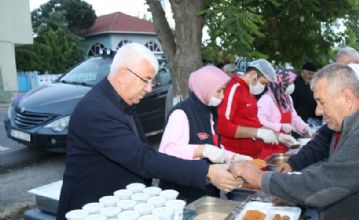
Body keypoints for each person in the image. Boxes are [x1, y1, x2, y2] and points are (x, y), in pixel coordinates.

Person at [57, 43, 242, 218]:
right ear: (122, 74)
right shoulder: (96, 110)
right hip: (92, 209)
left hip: (121, 205)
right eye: (145, 80)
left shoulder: (120, 101)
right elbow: (141, 158)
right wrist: (206, 172)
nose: (149, 88)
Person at [230, 63, 359, 219]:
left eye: (321, 102)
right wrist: (297, 195)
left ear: (347, 97)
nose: (318, 111)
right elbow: (337, 172)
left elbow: (325, 184)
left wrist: (259, 178)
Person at [278, 63, 359, 173]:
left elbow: (339, 178)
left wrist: (264, 180)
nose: (318, 112)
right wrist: (293, 164)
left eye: (323, 102)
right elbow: (321, 142)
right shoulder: (346, 118)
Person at [158, 66, 252, 202]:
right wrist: (203, 150)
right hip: (181, 195)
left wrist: (234, 157)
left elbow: (215, 146)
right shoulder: (181, 113)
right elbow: (167, 151)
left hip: (206, 191)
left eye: (223, 91)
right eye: (219, 91)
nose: (222, 96)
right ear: (205, 87)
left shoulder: (210, 113)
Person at [216, 59, 278, 158]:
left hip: (252, 155)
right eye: (263, 83)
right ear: (253, 74)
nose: (264, 87)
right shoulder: (234, 88)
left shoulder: (250, 92)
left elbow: (252, 123)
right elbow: (223, 126)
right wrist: (257, 133)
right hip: (236, 155)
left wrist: (278, 135)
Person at [257, 69, 310, 159]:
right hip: (270, 146)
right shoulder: (266, 99)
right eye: (290, 83)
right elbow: (259, 122)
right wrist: (280, 126)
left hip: (285, 145)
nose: (293, 86)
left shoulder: (287, 98)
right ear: (281, 82)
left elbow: (294, 117)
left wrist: (305, 127)